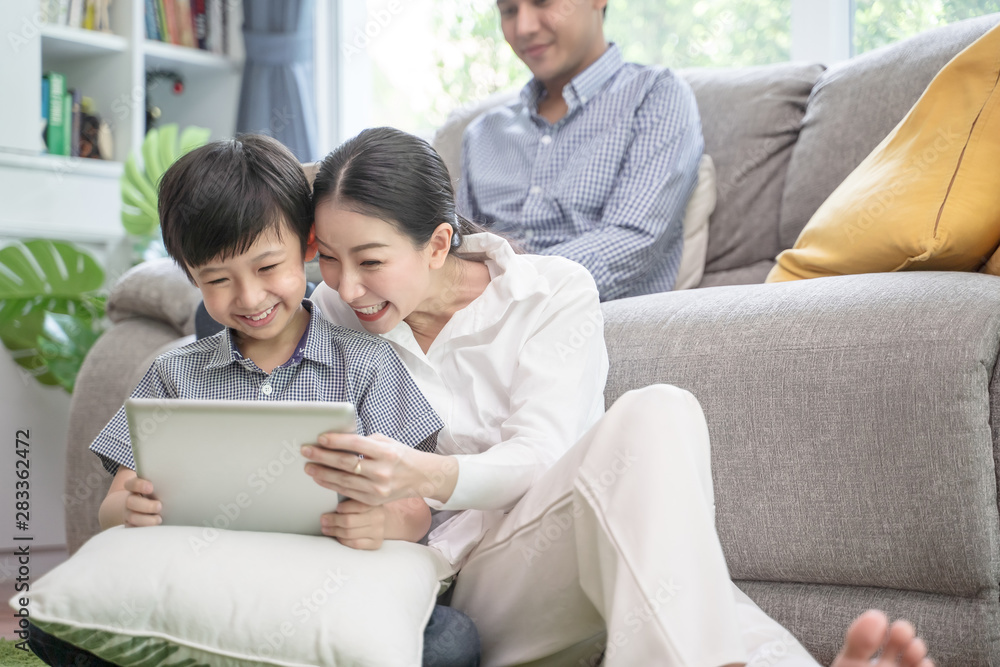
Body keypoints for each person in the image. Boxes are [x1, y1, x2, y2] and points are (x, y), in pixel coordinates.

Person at [304, 126, 934, 667]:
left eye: (370, 261)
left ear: (438, 244)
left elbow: (543, 456)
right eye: (328, 259)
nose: (348, 285)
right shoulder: (328, 313)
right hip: (465, 588)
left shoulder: (550, 294)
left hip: (571, 548)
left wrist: (429, 473)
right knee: (668, 562)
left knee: (661, 415)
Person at [26, 134, 481, 667]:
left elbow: (413, 509)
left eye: (268, 269)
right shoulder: (174, 375)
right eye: (216, 280)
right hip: (208, 586)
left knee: (452, 644)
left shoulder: (368, 365)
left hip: (326, 589)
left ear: (308, 247)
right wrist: (127, 510)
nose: (248, 298)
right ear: (191, 276)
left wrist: (383, 523)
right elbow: (117, 500)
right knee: (47, 625)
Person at [458, 0, 702, 301]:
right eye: (509, 10)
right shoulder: (483, 132)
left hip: (590, 317)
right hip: (478, 321)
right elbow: (460, 250)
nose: (524, 27)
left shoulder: (655, 94)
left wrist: (499, 283)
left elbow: (632, 240)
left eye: (542, 2)